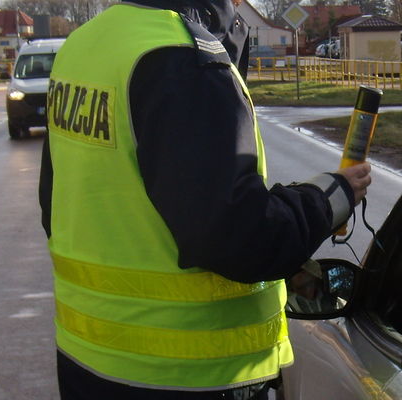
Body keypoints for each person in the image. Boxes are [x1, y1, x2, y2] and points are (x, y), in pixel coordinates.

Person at [38, 0, 371, 398]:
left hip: (87, 361)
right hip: (190, 375)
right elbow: (239, 237)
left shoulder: (84, 45)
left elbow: (58, 205)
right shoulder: (184, 61)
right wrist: (331, 197)